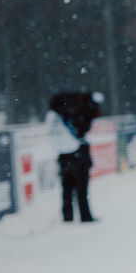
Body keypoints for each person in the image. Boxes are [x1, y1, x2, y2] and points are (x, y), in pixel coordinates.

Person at [45, 91, 103, 223]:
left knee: (67, 188)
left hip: (63, 156)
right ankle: (85, 216)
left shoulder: (54, 116)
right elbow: (83, 130)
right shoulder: (81, 113)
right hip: (79, 154)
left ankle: (67, 216)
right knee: (82, 188)